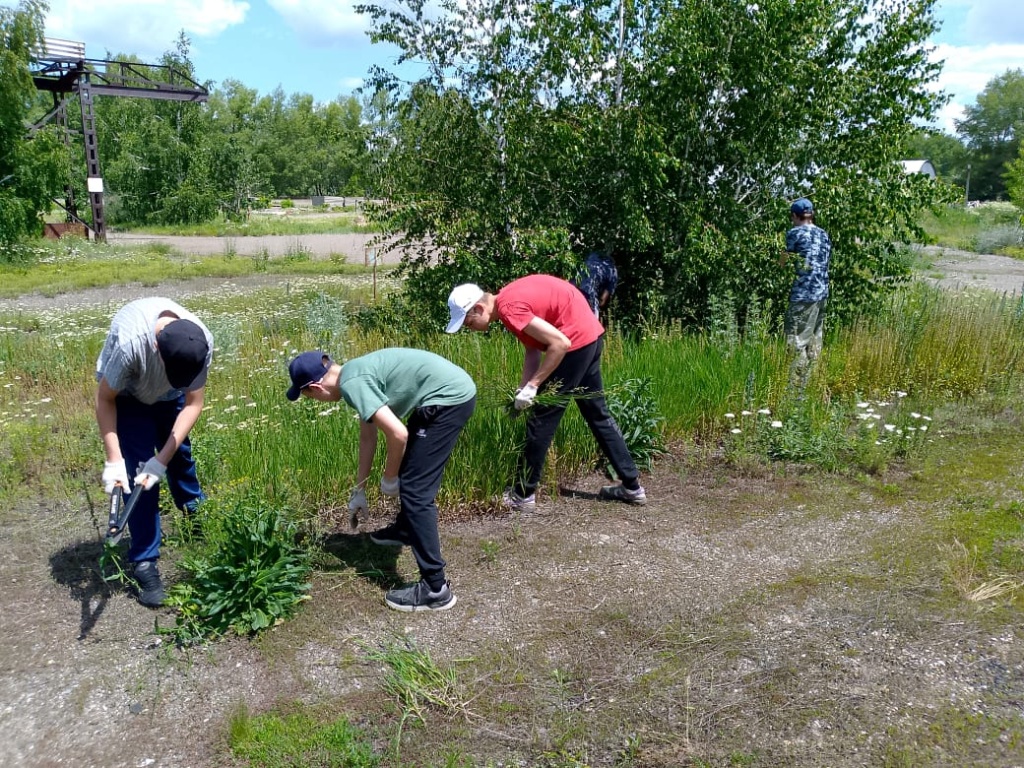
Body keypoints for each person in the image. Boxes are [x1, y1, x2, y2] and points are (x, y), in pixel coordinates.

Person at [286, 348, 476, 613]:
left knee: (415, 492)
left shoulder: (353, 384)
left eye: (307, 396)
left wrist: (389, 478)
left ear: (316, 388)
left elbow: (398, 434)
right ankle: (405, 529)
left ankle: (436, 589)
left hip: (448, 399)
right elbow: (368, 437)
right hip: (447, 393)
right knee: (411, 478)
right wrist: (359, 491)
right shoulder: (354, 373)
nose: (314, 401)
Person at [445, 274, 646, 511]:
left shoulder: (510, 309)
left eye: (468, 323)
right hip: (590, 335)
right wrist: (524, 388)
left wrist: (534, 387)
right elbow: (533, 349)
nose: (471, 329)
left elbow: (560, 344)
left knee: (542, 419)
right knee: (597, 413)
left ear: (479, 308)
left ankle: (522, 494)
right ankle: (632, 487)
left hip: (574, 342)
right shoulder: (508, 301)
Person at [95, 297, 213, 607]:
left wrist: (162, 459)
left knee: (179, 458)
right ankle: (145, 561)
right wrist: (114, 460)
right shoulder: (130, 345)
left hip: (170, 399)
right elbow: (104, 399)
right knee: (140, 479)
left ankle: (196, 514)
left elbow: (193, 402)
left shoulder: (199, 341)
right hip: (130, 396)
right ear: (158, 350)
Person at [781, 197, 832, 383]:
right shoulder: (823, 234)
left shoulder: (795, 233)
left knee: (795, 341)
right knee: (815, 340)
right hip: (822, 294)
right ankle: (813, 382)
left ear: (795, 215)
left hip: (803, 295)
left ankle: (795, 387)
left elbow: (783, 262)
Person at [573, 251, 619, 318]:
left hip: (572, 290)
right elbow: (603, 299)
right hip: (589, 294)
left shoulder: (591, 256)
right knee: (593, 322)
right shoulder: (613, 271)